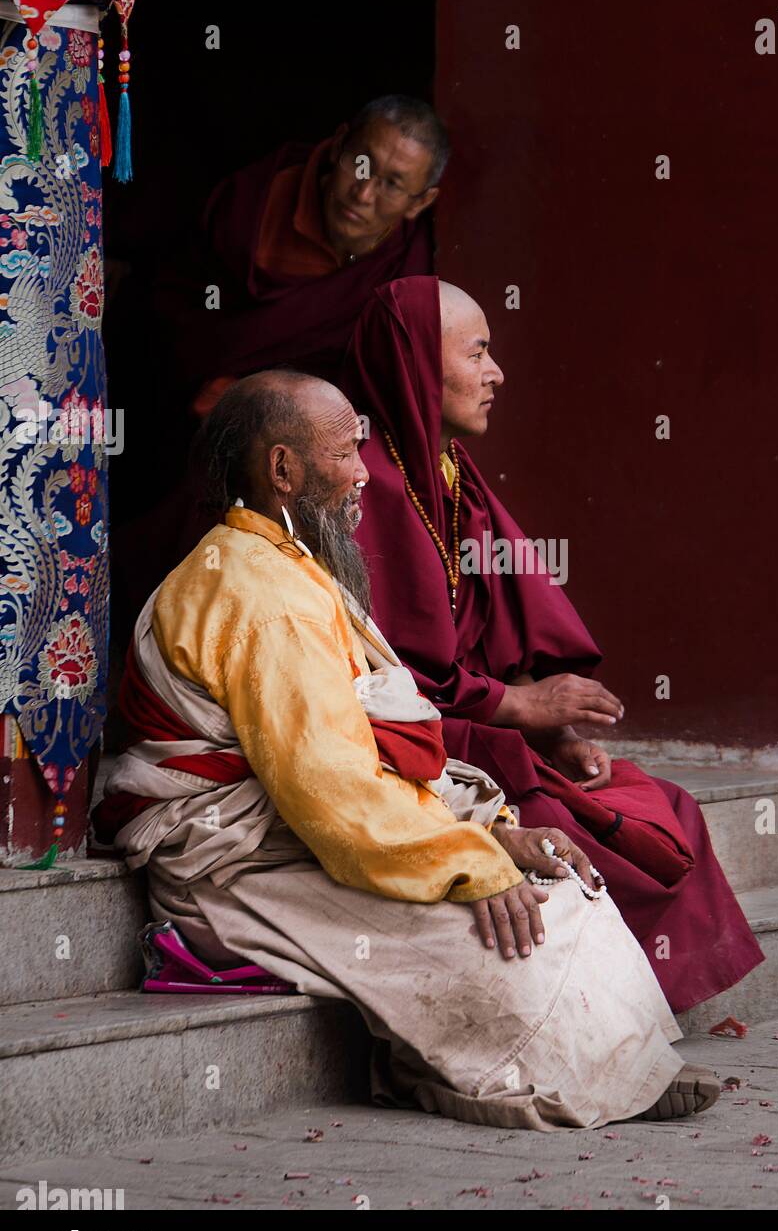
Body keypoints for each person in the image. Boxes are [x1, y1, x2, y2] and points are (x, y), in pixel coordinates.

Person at [94, 371, 722, 1131]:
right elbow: (332, 791)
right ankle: (535, 1081)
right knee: (505, 934)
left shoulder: (290, 567)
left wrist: (495, 833)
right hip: (235, 874)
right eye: (345, 453)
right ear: (284, 470)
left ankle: (618, 1068)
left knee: (562, 890)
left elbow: (373, 749)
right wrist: (469, 864)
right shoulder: (259, 592)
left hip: (298, 840)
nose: (364, 472)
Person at [339, 276, 766, 1014]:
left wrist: (555, 730)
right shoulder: (367, 483)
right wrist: (517, 706)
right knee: (587, 835)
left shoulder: (446, 471)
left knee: (664, 808)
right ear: (416, 361)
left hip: (481, 730)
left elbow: (500, 625)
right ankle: (603, 1013)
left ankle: (637, 1008)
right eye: (478, 353)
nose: (496, 373)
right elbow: (383, 672)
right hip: (414, 743)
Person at [110, 95, 447, 643]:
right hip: (184, 403)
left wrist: (255, 401)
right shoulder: (253, 207)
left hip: (293, 425)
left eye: (390, 183)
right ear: (337, 147)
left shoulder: (404, 272)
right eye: (360, 166)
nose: (363, 193)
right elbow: (176, 307)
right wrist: (206, 376)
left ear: (420, 201)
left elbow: (377, 378)